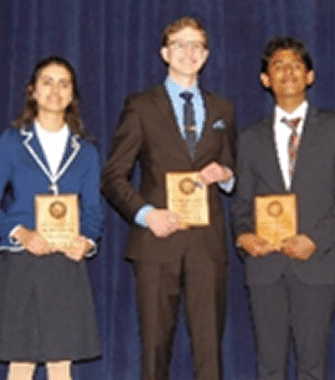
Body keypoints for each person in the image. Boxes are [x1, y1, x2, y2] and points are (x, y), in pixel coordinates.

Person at [101, 16, 236, 380]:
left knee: (210, 352)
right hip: (156, 242)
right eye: (180, 45)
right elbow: (113, 176)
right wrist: (146, 214)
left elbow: (231, 169)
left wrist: (225, 175)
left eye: (197, 46)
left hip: (207, 246)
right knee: (155, 350)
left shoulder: (223, 109)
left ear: (206, 55)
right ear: (165, 53)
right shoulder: (141, 106)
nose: (189, 52)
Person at [231, 37, 335, 380]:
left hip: (315, 263)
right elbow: (241, 203)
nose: (287, 72)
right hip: (265, 267)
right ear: (265, 79)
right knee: (270, 366)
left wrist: (314, 239)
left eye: (296, 65)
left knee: (313, 366)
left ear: (310, 76)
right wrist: (244, 236)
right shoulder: (249, 137)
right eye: (278, 65)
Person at [0, 56, 103, 380]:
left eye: (64, 83)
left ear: (72, 94)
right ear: (32, 91)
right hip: (23, 261)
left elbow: (93, 212)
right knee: (21, 362)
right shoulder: (11, 142)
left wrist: (86, 242)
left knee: (61, 364)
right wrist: (21, 234)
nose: (55, 90)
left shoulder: (86, 151)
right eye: (47, 81)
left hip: (65, 263)